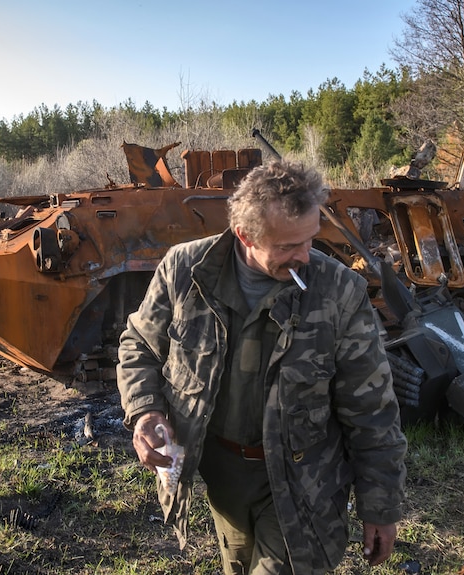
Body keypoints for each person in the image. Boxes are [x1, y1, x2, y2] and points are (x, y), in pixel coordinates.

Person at [117, 158, 407, 575]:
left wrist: (380, 504)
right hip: (225, 477)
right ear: (245, 236)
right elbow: (139, 344)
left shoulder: (340, 291)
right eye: (288, 246)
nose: (305, 256)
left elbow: (373, 407)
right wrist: (146, 410)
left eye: (310, 239)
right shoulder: (186, 271)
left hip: (305, 482)